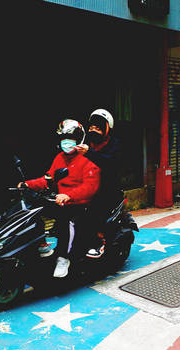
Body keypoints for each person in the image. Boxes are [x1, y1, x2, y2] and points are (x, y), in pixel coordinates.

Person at [18, 119, 100, 277]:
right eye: (63, 139)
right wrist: (27, 185)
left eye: (69, 139)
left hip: (80, 205)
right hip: (60, 201)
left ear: (79, 140)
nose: (66, 143)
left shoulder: (88, 159)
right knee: (31, 210)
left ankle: (64, 258)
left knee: (66, 221)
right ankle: (41, 245)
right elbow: (47, 179)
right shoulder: (59, 158)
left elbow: (91, 187)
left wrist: (69, 195)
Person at [75, 109, 122, 259]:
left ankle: (99, 241)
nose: (94, 130)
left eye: (98, 128)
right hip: (84, 185)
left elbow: (110, 163)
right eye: (91, 127)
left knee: (94, 211)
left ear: (107, 129)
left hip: (106, 189)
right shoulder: (85, 142)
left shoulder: (115, 145)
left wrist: (89, 153)